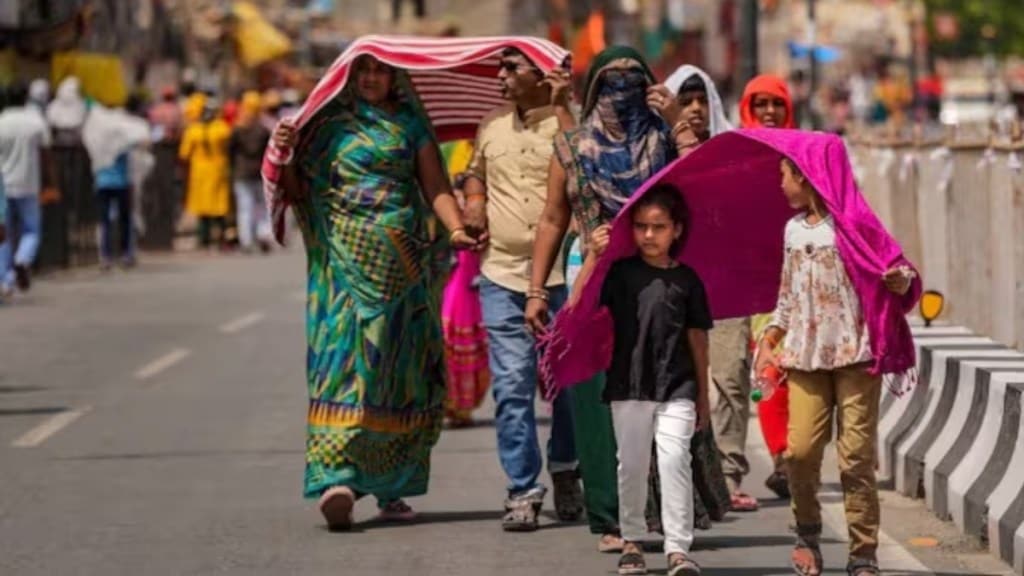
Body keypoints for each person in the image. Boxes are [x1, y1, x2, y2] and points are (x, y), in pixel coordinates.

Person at [526, 55, 728, 551]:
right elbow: (553, 219)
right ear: (594, 91)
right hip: (591, 281)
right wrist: (535, 289)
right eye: (610, 84)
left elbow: (699, 182)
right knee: (598, 402)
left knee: (663, 394)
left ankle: (664, 515)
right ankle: (610, 518)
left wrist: (679, 118)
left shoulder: (661, 141)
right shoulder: (572, 147)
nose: (621, 94)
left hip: (656, 288)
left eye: (632, 84)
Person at [270, 54, 478, 530]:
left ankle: (392, 484)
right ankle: (337, 477)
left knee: (396, 371)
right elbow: (299, 190)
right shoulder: (323, 128)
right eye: (362, 71)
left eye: (380, 71)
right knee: (340, 365)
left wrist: (456, 229)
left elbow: (436, 188)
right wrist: (284, 153)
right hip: (341, 268)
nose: (370, 79)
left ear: (395, 78)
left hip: (402, 267)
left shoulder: (410, 125)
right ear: (346, 76)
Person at [754, 150, 920, 576]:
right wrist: (771, 336)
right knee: (802, 451)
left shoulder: (855, 225)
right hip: (806, 358)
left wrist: (899, 280)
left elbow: (896, 271)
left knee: (855, 458)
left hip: (856, 355)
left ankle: (862, 552)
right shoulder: (791, 231)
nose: (780, 185)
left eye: (785, 176)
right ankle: (807, 533)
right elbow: (787, 298)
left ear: (806, 178)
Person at [461, 47, 582, 531]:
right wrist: (473, 201)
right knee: (512, 387)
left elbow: (587, 174)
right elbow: (475, 174)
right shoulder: (490, 126)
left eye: (513, 68)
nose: (501, 76)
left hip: (563, 280)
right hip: (501, 276)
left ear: (542, 74)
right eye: (501, 68)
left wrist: (563, 109)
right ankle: (523, 488)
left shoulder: (570, 124)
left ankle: (568, 467)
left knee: (567, 388)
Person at [602, 186, 710, 576]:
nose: (649, 235)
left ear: (677, 230)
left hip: (678, 384)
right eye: (641, 227)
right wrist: (595, 256)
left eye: (659, 227)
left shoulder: (688, 280)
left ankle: (678, 549)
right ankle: (632, 540)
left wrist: (703, 395)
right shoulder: (618, 273)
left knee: (673, 459)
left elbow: (698, 339)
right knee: (630, 465)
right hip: (628, 384)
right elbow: (582, 307)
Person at [741, 74, 796, 502]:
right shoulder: (735, 155)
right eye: (760, 104)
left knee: (803, 371)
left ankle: (798, 454)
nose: (769, 113)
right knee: (769, 369)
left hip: (805, 280)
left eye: (776, 104)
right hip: (757, 283)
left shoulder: (806, 153)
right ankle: (781, 458)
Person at [441, 139, 490, 427]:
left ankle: (463, 403)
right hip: (446, 248)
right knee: (448, 328)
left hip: (479, 251)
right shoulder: (447, 149)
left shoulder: (486, 145)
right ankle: (451, 401)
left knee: (468, 328)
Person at [0, 81, 54, 297]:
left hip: (4, 184)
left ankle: (5, 279)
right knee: (31, 230)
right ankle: (23, 260)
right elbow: (46, 154)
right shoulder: (36, 122)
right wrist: (51, 181)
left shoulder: (1, 122)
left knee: (4, 234)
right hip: (28, 184)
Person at [179, 99, 232, 250]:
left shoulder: (193, 130)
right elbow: (228, 147)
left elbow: (184, 154)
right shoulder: (222, 128)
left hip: (200, 172)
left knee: (203, 206)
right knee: (219, 206)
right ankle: (220, 237)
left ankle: (204, 239)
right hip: (217, 170)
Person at [229, 91, 273, 253]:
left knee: (244, 207)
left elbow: (230, 152)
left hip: (241, 173)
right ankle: (263, 235)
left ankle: (246, 240)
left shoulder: (237, 130)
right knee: (262, 206)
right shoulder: (263, 130)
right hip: (260, 172)